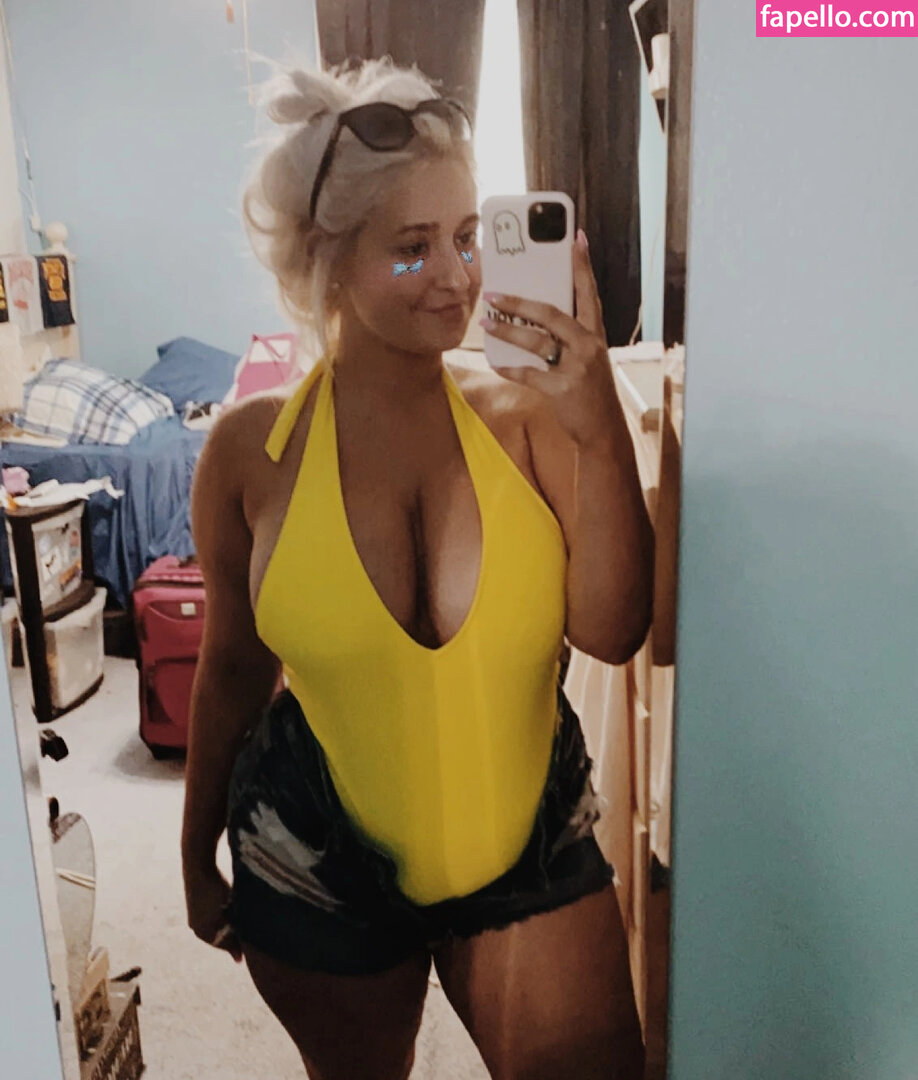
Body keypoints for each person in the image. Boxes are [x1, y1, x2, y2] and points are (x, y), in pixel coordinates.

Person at [181, 56, 654, 1080]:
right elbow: (231, 669)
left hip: (527, 844)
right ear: (328, 260)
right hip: (312, 857)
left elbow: (616, 632)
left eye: (467, 236)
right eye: (412, 249)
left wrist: (599, 424)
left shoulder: (528, 420)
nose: (457, 276)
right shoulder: (250, 452)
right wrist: (192, 850)